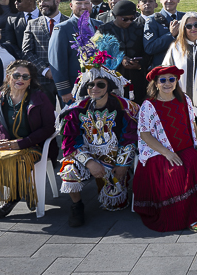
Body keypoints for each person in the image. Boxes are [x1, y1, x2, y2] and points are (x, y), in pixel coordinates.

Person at [59, 39, 139, 227]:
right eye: (90, 85)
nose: (94, 88)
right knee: (69, 169)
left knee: (115, 203)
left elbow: (131, 137)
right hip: (86, 155)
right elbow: (69, 143)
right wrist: (90, 162)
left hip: (115, 156)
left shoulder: (125, 107)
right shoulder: (76, 110)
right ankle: (76, 206)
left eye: (100, 85)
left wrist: (123, 164)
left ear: (109, 88)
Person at [132, 66, 197, 232]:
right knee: (175, 172)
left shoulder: (184, 99)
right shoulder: (149, 105)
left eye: (171, 79)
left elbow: (192, 123)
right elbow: (145, 135)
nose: (167, 83)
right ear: (155, 84)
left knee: (192, 162)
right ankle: (186, 218)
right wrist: (167, 152)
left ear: (176, 82)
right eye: (162, 80)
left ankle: (191, 212)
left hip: (185, 147)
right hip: (159, 150)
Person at [0, 59, 55, 220]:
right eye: (16, 75)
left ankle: (14, 196)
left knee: (17, 161)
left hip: (32, 146)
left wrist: (20, 143)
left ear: (30, 80)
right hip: (1, 147)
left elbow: (48, 128)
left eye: (26, 77)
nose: (20, 80)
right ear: (8, 77)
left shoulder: (40, 98)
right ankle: (25, 189)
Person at [48, 0, 93, 105]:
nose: (83, 6)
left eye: (87, 3)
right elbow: (57, 61)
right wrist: (64, 91)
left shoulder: (99, 25)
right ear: (71, 5)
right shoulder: (62, 29)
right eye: (79, 3)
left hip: (98, 87)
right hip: (75, 89)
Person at [21, 0, 62, 105]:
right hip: (42, 81)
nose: (42, 4)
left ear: (57, 1)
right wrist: (45, 70)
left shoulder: (70, 22)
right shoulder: (32, 24)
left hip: (66, 79)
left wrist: (61, 71)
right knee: (46, 118)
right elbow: (26, 51)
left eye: (46, 0)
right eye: (40, 1)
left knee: (70, 116)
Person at [97, 0, 146, 91]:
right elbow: (100, 54)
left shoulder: (140, 28)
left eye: (132, 18)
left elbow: (148, 52)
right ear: (116, 16)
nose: (129, 22)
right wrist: (119, 60)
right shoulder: (104, 30)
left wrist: (140, 65)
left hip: (137, 76)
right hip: (113, 77)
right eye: (125, 19)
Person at [134, 0, 173, 67]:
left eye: (151, 1)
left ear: (156, 5)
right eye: (144, 1)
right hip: (139, 66)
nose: (147, 3)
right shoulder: (134, 24)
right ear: (138, 6)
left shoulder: (164, 21)